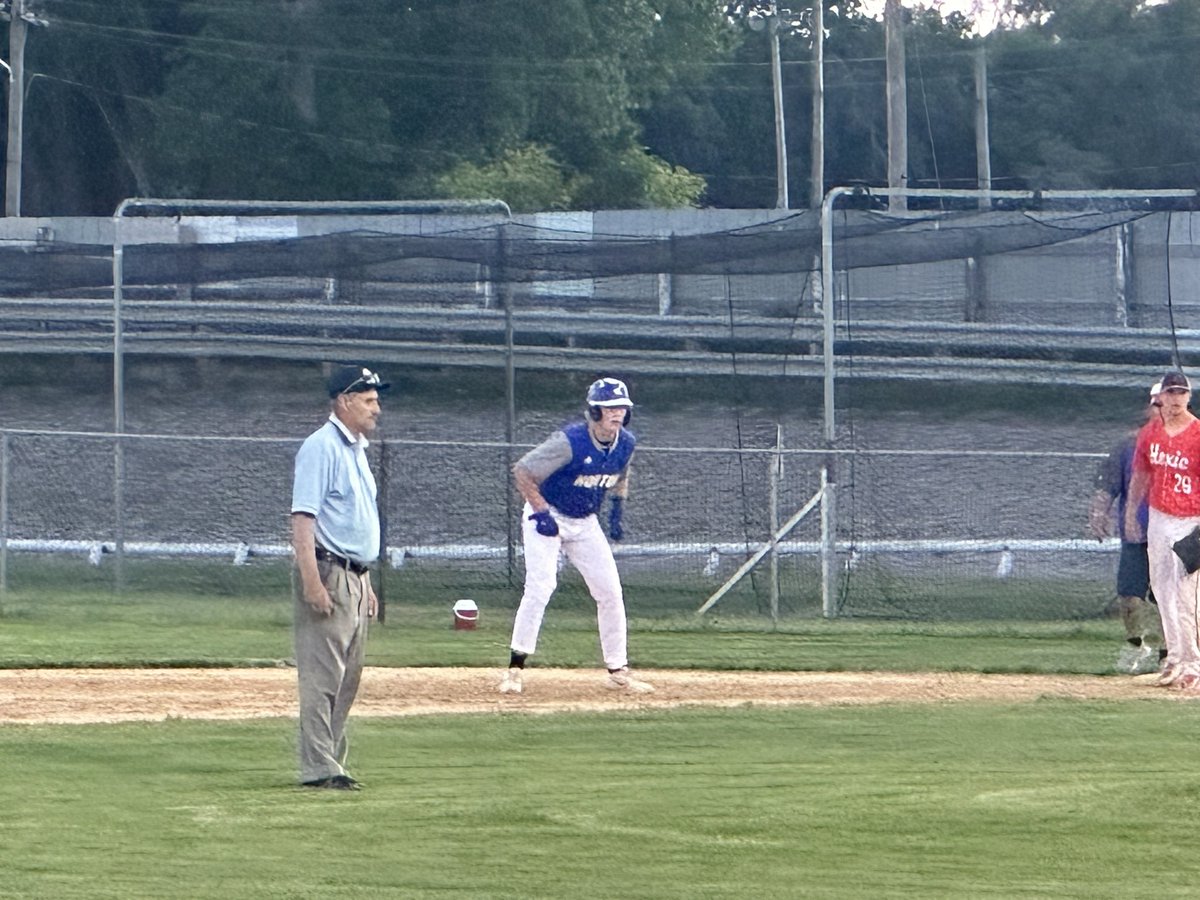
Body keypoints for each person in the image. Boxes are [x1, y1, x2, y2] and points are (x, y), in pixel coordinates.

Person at [499, 377, 653, 695]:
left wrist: (617, 509)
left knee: (610, 591)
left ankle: (618, 670)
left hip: (584, 521)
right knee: (541, 586)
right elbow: (523, 471)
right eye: (609, 408)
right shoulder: (570, 440)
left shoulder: (626, 442)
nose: (617, 414)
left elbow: (622, 473)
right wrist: (540, 511)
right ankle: (515, 669)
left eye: (622, 408)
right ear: (594, 411)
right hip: (548, 513)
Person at [290, 364, 389, 788]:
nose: (376, 409)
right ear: (344, 401)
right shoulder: (321, 447)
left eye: (376, 400)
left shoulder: (355, 449)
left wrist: (366, 581)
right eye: (368, 401)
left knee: (348, 679)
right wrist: (312, 582)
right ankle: (319, 768)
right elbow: (303, 519)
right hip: (329, 571)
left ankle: (334, 763)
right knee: (322, 678)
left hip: (354, 575)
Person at [1126, 369, 1200, 689]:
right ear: (1160, 397)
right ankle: (1175, 659)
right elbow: (1142, 472)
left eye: (1181, 393)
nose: (1175, 399)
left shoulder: (1198, 434)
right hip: (1159, 516)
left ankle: (1194, 664)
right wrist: (1131, 512)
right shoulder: (1151, 433)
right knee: (1162, 589)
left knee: (1187, 595)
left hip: (1191, 519)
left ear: (1189, 396)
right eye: (1170, 393)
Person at [1089, 380, 1165, 674]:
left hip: (1175, 534)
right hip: (1137, 534)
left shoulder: (1191, 441)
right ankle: (1136, 644)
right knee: (1129, 596)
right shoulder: (1129, 445)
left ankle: (1168, 652)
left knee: (1169, 600)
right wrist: (1099, 514)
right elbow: (1107, 485)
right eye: (1157, 404)